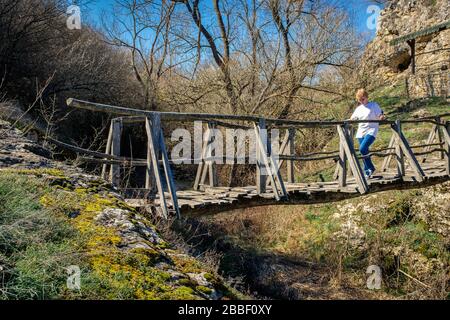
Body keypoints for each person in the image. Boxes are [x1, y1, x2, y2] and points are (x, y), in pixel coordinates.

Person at [350, 89, 385, 178]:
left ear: (366, 97)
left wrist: (382, 117)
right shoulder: (359, 108)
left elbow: (379, 115)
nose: (361, 101)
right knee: (364, 151)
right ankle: (367, 171)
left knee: (362, 148)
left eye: (363, 99)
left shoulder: (373, 105)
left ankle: (371, 168)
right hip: (361, 132)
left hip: (371, 130)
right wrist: (350, 120)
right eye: (359, 100)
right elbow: (353, 118)